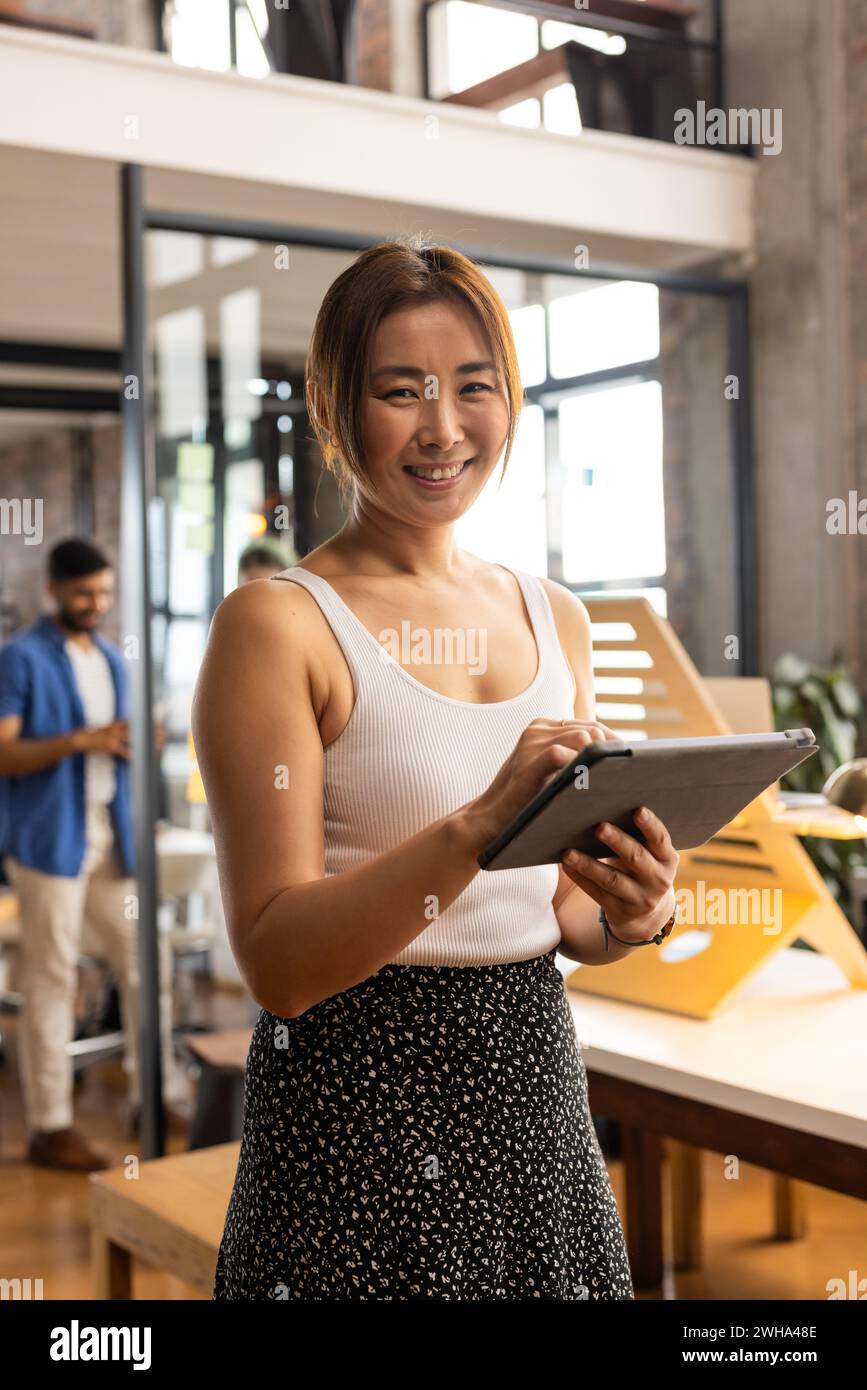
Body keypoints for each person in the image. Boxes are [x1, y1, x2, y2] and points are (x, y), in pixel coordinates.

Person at [192, 237, 679, 1300]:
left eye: (474, 387)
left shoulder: (555, 615)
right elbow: (279, 963)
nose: (443, 427)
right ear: (334, 405)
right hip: (354, 1116)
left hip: (536, 1095)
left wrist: (633, 914)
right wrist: (477, 823)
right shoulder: (276, 623)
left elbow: (560, 908)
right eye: (401, 390)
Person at [0, 538, 186, 1171]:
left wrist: (140, 740)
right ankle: (50, 1127)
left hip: (113, 837)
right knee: (52, 977)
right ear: (54, 590)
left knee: (145, 962)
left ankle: (155, 1094)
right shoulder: (20, 658)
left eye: (104, 592)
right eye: (84, 593)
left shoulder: (113, 659)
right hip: (50, 840)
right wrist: (84, 740)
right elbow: (5, 753)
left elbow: (126, 739)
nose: (97, 603)